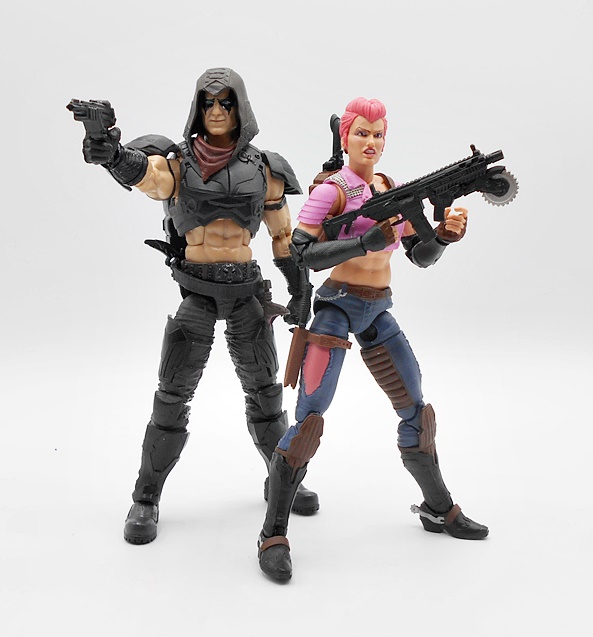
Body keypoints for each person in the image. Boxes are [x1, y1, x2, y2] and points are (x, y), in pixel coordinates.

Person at [70, 67, 318, 545]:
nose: (217, 110)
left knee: (266, 393)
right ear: (197, 109)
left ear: (240, 107)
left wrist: (299, 290)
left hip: (246, 292)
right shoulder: (179, 162)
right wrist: (112, 154)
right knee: (172, 394)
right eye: (208, 102)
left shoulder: (265, 169)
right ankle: (146, 497)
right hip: (198, 292)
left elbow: (284, 238)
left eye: (226, 102)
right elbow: (146, 176)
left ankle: (282, 478)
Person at [258, 97, 488, 581]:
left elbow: (419, 256)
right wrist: (364, 242)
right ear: (345, 138)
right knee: (308, 421)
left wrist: (443, 236)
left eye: (378, 134)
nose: (371, 142)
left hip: (379, 308)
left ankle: (438, 508)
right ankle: (272, 533)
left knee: (416, 410)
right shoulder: (331, 191)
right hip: (336, 308)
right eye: (362, 132)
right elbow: (301, 254)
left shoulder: (390, 188)